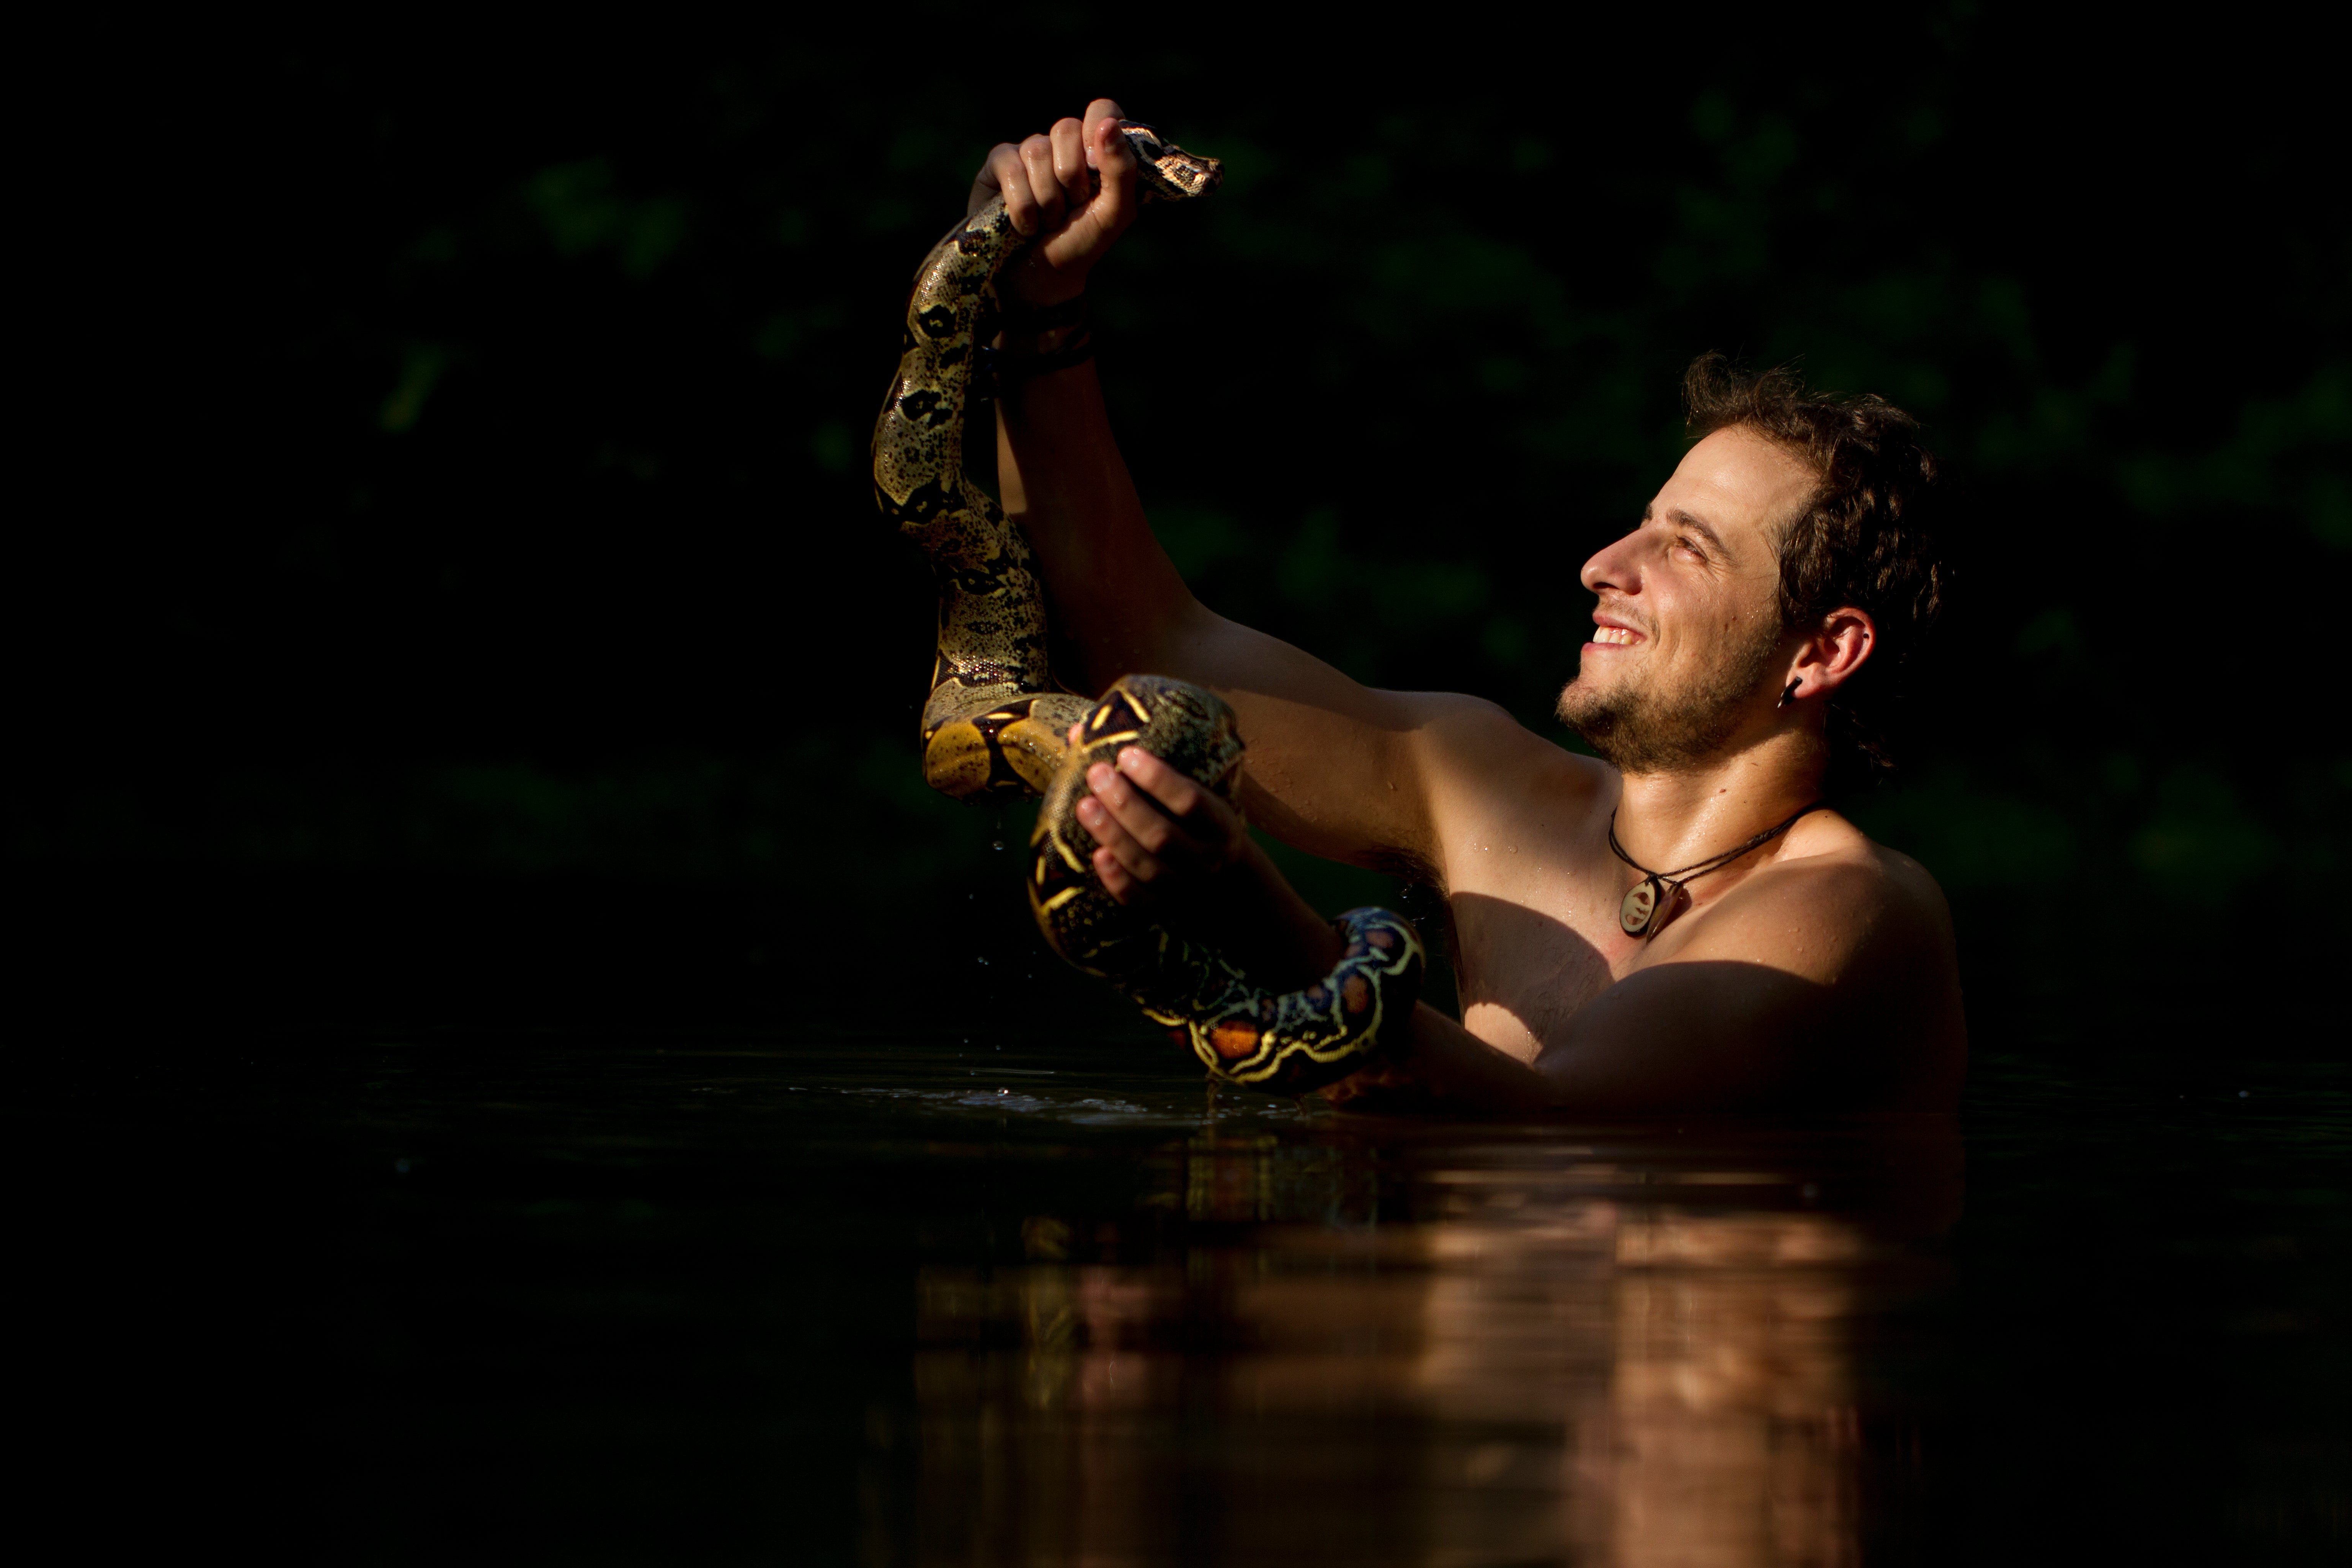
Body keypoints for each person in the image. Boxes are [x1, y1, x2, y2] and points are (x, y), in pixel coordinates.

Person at [972, 100, 1966, 1114]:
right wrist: (1036, 313)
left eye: (1686, 549)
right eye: (1641, 522)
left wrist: (1249, 913)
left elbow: (1544, 1143)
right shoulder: (1487, 789)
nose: (1603, 564)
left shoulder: (1855, 910)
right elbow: (1144, 641)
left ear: (1824, 650)